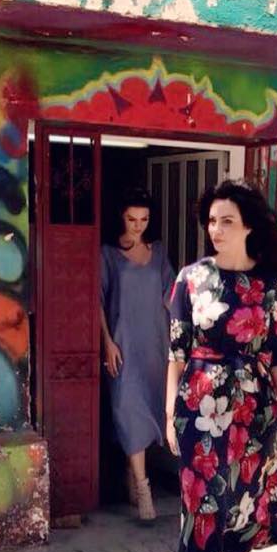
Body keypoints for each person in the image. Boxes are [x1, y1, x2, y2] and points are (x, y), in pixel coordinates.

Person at [166, 179, 277, 552]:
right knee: (203, 514)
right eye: (211, 221)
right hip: (200, 411)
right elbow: (176, 351)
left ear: (248, 227)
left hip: (256, 410)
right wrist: (169, 411)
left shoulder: (270, 283)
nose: (215, 230)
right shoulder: (191, 279)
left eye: (226, 221)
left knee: (246, 501)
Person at [101, 188, 175, 522]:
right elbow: (97, 300)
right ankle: (144, 489)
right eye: (132, 219)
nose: (138, 225)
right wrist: (107, 342)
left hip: (155, 344)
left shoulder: (158, 253)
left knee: (151, 410)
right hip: (123, 346)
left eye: (144, 219)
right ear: (122, 217)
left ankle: (132, 474)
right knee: (128, 410)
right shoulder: (108, 254)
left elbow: (172, 295)